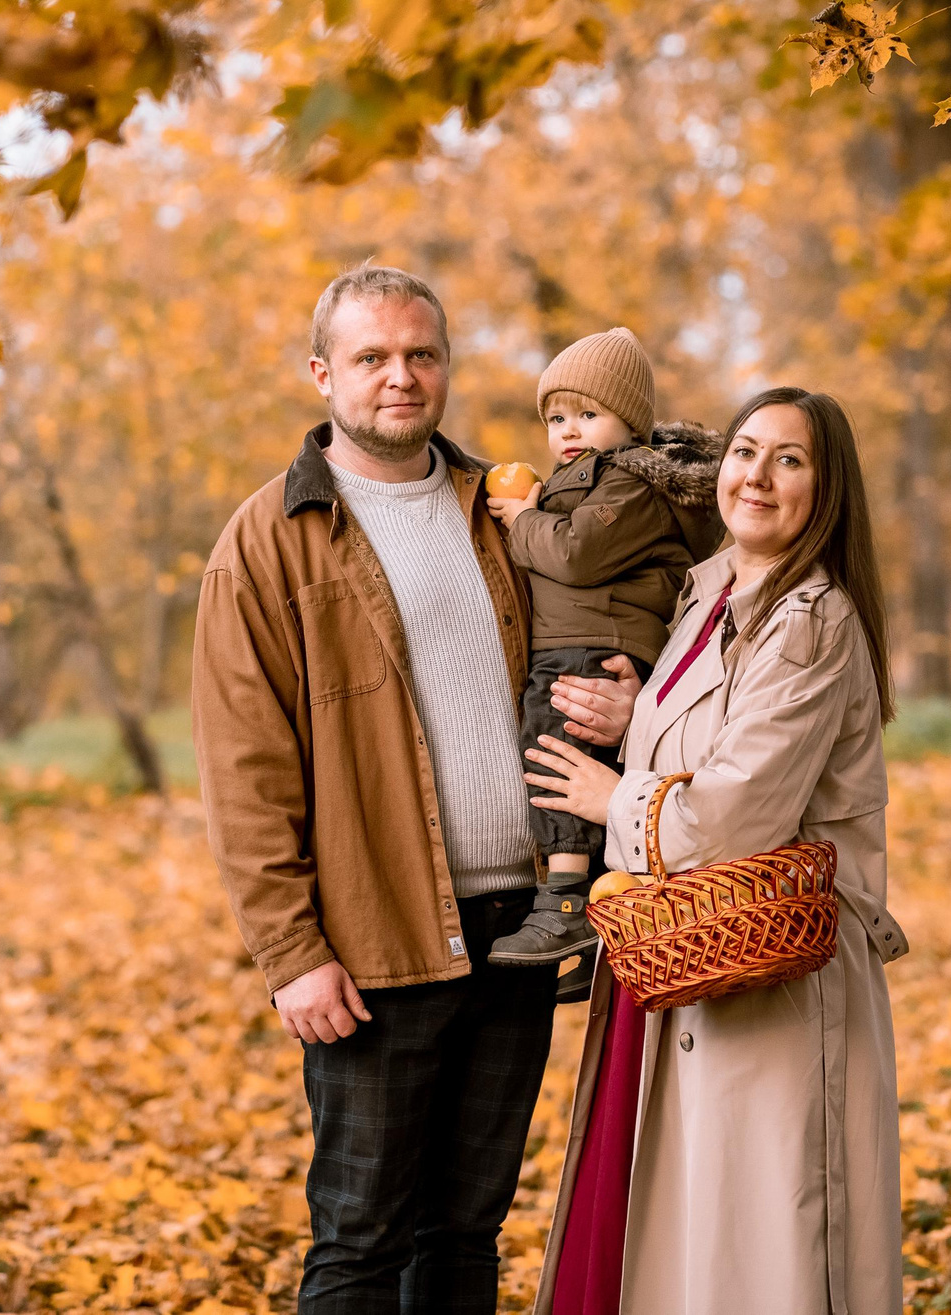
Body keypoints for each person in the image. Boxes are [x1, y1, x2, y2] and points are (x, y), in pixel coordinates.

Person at [189, 265, 630, 1315]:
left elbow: (597, 639)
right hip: (375, 939)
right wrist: (291, 953)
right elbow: (245, 773)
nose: (401, 377)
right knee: (359, 1241)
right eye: (372, 357)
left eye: (421, 354)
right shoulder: (264, 541)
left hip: (520, 925)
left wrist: (625, 710)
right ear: (320, 374)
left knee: (465, 1232)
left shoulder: (511, 511)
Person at [525, 386, 913, 1315]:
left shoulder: (812, 618)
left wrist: (610, 795)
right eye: (746, 451)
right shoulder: (709, 591)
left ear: (827, 490)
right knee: (689, 1251)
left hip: (773, 984)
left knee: (759, 1256)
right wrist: (638, 713)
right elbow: (714, 738)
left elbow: (733, 814)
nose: (759, 476)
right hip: (687, 961)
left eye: (791, 460)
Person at [482, 326, 724, 974]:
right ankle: (600, 917)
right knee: (561, 746)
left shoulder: (629, 481)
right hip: (576, 640)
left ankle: (563, 900)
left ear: (630, 422)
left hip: (593, 644)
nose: (569, 428)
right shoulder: (583, 478)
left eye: (588, 413)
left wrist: (522, 520)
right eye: (557, 415)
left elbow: (577, 552)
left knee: (556, 748)